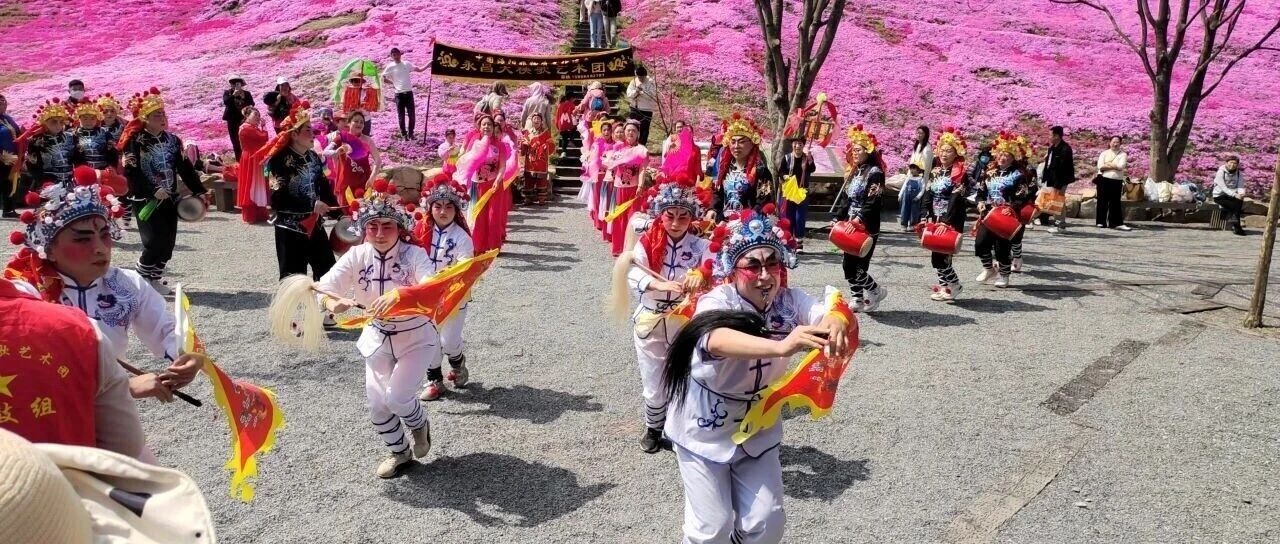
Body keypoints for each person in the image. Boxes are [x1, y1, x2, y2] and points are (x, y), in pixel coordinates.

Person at [661, 207, 852, 544]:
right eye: (753, 265)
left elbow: (830, 311)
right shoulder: (718, 300)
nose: (765, 275)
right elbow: (712, 338)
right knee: (711, 529)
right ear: (733, 272)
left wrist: (835, 321)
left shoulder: (790, 301)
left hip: (757, 426)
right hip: (704, 426)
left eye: (772, 263)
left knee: (767, 523)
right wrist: (781, 348)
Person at [3, 174, 204, 454]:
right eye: (82, 239)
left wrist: (186, 359)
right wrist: (125, 387)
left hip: (111, 423)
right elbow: (33, 378)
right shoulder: (26, 296)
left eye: (104, 235)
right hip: (44, 428)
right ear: (49, 248)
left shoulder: (126, 284)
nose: (99, 248)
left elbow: (166, 329)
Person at [312, 180, 434, 478]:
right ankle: (400, 454)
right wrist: (331, 303)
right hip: (377, 335)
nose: (379, 234)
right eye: (373, 227)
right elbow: (322, 285)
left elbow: (433, 287)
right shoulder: (357, 255)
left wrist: (400, 294)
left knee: (397, 398)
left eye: (387, 226)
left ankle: (419, 425)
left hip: (415, 336)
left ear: (400, 227)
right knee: (378, 406)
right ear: (364, 228)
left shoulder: (414, 255)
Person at [615, 143, 710, 453]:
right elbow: (631, 272)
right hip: (652, 319)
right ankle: (653, 428)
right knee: (654, 381)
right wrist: (661, 287)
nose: (676, 222)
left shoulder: (699, 246)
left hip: (686, 322)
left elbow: (717, 271)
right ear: (662, 214)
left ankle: (674, 426)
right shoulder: (647, 242)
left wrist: (704, 275)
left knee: (685, 376)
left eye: (683, 216)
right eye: (670, 215)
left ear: (691, 217)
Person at [0, 281, 148, 461]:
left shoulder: (127, 283)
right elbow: (124, 444)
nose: (100, 251)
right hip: (60, 483)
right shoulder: (77, 328)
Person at [117, 88, 207, 296]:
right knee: (153, 241)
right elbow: (131, 170)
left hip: (169, 198)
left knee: (168, 242)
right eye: (157, 115)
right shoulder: (136, 140)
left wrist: (199, 190)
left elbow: (184, 168)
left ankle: (154, 278)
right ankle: (141, 278)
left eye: (163, 114)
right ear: (145, 119)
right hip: (146, 198)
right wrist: (152, 190)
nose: (162, 118)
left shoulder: (172, 141)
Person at [260, 102, 339, 284]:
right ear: (294, 134)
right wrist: (311, 205)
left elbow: (323, 186)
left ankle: (323, 311)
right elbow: (278, 199)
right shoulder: (278, 161)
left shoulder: (312, 157)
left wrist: (340, 213)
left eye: (312, 130)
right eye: (307, 130)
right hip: (290, 229)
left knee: (328, 274)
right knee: (293, 280)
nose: (313, 134)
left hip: (315, 226)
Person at [415, 173, 475, 401]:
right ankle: (434, 380)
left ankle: (458, 361)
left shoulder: (462, 237)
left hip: (454, 295)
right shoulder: (420, 230)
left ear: (456, 210)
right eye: (437, 206)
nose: (442, 211)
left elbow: (465, 265)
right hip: (425, 295)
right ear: (430, 208)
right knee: (428, 337)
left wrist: (442, 277)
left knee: (449, 341)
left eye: (449, 206)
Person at [831, 124, 889, 312]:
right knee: (848, 264)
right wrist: (838, 217)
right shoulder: (855, 172)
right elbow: (847, 198)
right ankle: (857, 298)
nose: (854, 153)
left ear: (868, 151)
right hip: (850, 223)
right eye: (852, 150)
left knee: (859, 266)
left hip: (866, 224)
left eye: (858, 150)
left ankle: (875, 290)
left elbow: (874, 200)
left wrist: (859, 218)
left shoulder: (875, 174)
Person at [974, 132, 1031, 288]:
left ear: (1013, 157)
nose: (1002, 157)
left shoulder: (1018, 175)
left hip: (1007, 215)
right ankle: (988, 268)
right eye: (1000, 154)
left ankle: (1004, 274)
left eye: (1007, 155)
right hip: (990, 213)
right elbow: (980, 193)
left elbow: (1023, 196)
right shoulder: (989, 173)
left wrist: (1012, 207)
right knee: (980, 243)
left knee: (1002, 247)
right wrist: (979, 202)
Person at [455, 114, 517, 253]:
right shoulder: (474, 143)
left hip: (494, 184)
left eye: (489, 124)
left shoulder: (499, 144)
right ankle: (479, 246)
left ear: (493, 127)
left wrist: (498, 179)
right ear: (479, 127)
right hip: (478, 185)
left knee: (493, 215)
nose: (486, 127)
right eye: (484, 124)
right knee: (479, 216)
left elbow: (502, 166)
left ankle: (494, 247)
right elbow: (466, 163)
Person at [921, 128, 969, 301]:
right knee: (935, 254)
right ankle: (944, 287)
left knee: (943, 255)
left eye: (949, 151)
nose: (944, 153)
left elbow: (955, 199)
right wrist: (925, 213)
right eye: (942, 149)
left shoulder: (959, 173)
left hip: (951, 218)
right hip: (936, 217)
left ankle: (954, 285)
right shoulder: (936, 170)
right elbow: (928, 193)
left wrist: (946, 222)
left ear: (956, 153)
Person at [706, 113, 772, 221]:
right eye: (733, 142)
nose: (736, 146)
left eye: (741, 142)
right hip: (724, 221)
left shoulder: (760, 170)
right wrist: (712, 209)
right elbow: (717, 193)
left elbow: (764, 199)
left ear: (751, 144)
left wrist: (748, 218)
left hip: (749, 225)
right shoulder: (725, 168)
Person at [602, 120, 648, 256]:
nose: (630, 133)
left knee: (633, 218)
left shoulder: (642, 150)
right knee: (619, 217)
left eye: (634, 131)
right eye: (628, 130)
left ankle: (631, 248)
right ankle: (618, 247)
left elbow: (642, 170)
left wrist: (640, 185)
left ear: (638, 133)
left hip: (634, 189)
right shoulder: (618, 148)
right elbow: (608, 163)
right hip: (619, 187)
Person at [16, 98, 76, 190]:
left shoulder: (70, 137)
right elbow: (33, 167)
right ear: (45, 123)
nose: (58, 125)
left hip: (71, 183)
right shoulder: (36, 141)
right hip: (48, 184)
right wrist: (44, 184)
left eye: (61, 122)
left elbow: (77, 159)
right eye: (54, 122)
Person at [326, 110, 381, 207]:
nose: (359, 124)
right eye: (356, 121)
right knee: (348, 213)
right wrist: (336, 152)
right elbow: (325, 152)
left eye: (361, 122)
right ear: (349, 122)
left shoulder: (368, 140)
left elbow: (378, 160)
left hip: (364, 181)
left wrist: (372, 178)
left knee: (364, 212)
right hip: (346, 182)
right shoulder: (341, 138)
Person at [382, 47, 428, 141]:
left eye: (397, 54)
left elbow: (419, 69)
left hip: (408, 93)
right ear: (391, 56)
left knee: (412, 115)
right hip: (399, 94)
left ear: (400, 54)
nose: (396, 56)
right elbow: (383, 78)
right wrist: (393, 83)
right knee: (401, 116)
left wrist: (428, 64)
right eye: (393, 55)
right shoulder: (390, 66)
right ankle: (404, 134)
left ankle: (411, 133)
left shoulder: (406, 64)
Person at [776, 137, 814, 249]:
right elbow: (781, 171)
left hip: (802, 190)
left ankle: (799, 240)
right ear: (792, 145)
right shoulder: (787, 157)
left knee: (799, 216)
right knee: (788, 215)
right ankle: (788, 239)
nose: (798, 146)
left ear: (803, 146)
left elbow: (812, 169)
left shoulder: (806, 158)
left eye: (800, 144)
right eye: (796, 144)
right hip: (789, 190)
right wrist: (784, 176)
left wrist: (810, 161)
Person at [579, 117, 616, 231]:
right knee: (597, 198)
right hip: (598, 174)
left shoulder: (615, 145)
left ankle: (605, 221)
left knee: (607, 198)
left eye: (608, 130)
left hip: (609, 174)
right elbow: (594, 160)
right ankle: (597, 221)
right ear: (601, 131)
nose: (606, 132)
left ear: (611, 132)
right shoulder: (597, 144)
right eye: (604, 130)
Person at [236, 106, 271, 223]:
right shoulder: (246, 128)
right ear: (247, 116)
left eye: (258, 115)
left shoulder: (251, 128)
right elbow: (263, 137)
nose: (257, 117)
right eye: (255, 115)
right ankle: (251, 214)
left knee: (257, 184)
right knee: (252, 184)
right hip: (251, 158)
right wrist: (264, 127)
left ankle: (259, 212)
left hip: (255, 157)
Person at [1040, 125, 1074, 233]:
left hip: (1060, 179)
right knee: (1056, 200)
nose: (1049, 137)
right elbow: (1049, 164)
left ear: (1057, 136)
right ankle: (1058, 223)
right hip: (1052, 178)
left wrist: (1057, 183)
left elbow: (1062, 167)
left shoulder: (1065, 148)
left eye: (1050, 135)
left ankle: (1060, 225)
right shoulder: (1052, 148)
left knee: (1059, 200)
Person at [1094, 136, 1131, 231]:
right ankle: (1101, 222)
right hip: (1103, 179)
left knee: (1115, 202)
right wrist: (1114, 166)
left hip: (1116, 180)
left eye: (1117, 142)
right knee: (1102, 201)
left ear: (1120, 143)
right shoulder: (1104, 153)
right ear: (1110, 143)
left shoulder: (1123, 154)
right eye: (1113, 142)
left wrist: (1109, 165)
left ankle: (1115, 223)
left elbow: (1121, 166)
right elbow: (1100, 166)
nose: (1115, 144)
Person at [520, 113, 556, 206]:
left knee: (541, 180)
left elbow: (552, 146)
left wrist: (545, 146)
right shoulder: (528, 133)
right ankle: (528, 198)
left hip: (541, 160)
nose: (536, 120)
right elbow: (523, 146)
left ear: (541, 121)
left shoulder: (545, 134)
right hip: (530, 159)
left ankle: (541, 198)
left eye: (538, 119)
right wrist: (524, 145)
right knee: (528, 179)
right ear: (532, 121)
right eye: (534, 119)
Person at [71, 99, 116, 171]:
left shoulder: (105, 132)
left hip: (104, 170)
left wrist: (111, 166)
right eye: (85, 119)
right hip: (82, 171)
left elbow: (112, 152)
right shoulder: (73, 134)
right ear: (79, 119)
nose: (89, 122)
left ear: (97, 119)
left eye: (92, 118)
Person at [901, 125, 932, 231]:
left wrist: (923, 178)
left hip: (920, 177)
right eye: (917, 132)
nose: (918, 135)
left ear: (926, 134)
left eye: (921, 133)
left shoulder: (927, 148)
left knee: (916, 203)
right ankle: (905, 223)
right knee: (907, 202)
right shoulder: (917, 145)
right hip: (912, 175)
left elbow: (927, 166)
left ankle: (913, 223)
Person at [0, 94, 24, 217]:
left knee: (9, 183)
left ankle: (8, 210)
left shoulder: (7, 118)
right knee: (4, 182)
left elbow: (18, 133)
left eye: (4, 101)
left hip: (11, 158)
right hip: (1, 157)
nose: (3, 103)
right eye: (0, 102)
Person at [221, 75, 254, 160]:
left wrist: (244, 98)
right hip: (232, 120)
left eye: (237, 83)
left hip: (244, 120)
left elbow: (252, 104)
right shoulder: (227, 93)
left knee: (246, 140)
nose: (234, 85)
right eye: (232, 83)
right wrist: (233, 95)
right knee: (235, 141)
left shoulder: (246, 93)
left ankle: (248, 159)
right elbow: (226, 102)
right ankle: (239, 161)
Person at [1212, 156, 1248, 236]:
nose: (1232, 164)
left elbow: (1240, 185)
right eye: (1230, 162)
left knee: (1239, 201)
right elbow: (1223, 187)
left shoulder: (1239, 173)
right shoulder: (1221, 172)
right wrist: (1235, 194)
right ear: (1226, 163)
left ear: (1237, 165)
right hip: (1219, 196)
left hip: (1232, 195)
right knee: (1235, 207)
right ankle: (1237, 228)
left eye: (1235, 163)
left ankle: (1235, 224)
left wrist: (1241, 193)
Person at [626, 66, 658, 145]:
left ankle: (641, 145)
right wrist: (636, 91)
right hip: (635, 107)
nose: (641, 79)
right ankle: (631, 143)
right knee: (632, 127)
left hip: (646, 109)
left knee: (644, 129)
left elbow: (652, 95)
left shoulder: (650, 82)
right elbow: (629, 94)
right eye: (639, 77)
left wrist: (641, 93)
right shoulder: (634, 81)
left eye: (642, 77)